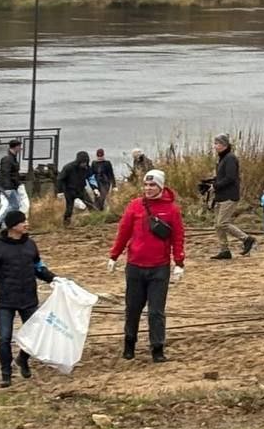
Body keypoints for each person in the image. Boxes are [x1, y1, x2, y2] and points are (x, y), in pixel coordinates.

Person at [108, 170, 185, 362]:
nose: (148, 189)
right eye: (146, 185)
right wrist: (114, 256)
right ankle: (129, 343)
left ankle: (157, 348)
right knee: (132, 308)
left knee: (156, 311)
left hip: (159, 267)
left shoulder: (172, 210)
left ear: (161, 186)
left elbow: (178, 237)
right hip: (135, 266)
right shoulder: (135, 206)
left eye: (152, 185)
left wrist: (179, 262)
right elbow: (124, 232)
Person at [0, 209, 57, 387]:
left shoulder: (30, 245)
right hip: (6, 301)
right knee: (4, 338)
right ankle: (6, 375)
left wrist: (54, 279)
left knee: (35, 335)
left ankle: (22, 359)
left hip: (28, 299)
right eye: (23, 222)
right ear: (13, 226)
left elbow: (38, 267)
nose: (26, 224)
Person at [208, 134, 253, 260]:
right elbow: (222, 176)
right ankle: (224, 250)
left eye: (217, 143)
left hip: (229, 195)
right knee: (217, 225)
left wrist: (216, 186)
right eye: (215, 143)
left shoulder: (230, 158)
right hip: (220, 196)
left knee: (222, 223)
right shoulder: (222, 158)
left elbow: (230, 177)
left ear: (224, 145)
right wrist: (211, 182)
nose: (215, 146)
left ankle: (246, 239)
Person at [56, 151, 92, 226]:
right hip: (69, 191)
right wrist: (60, 192)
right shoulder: (68, 167)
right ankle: (66, 224)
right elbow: (60, 179)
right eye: (83, 162)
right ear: (78, 161)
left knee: (91, 205)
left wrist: (95, 188)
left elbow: (90, 178)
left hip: (81, 189)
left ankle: (95, 219)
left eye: (86, 162)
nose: (84, 164)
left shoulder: (87, 168)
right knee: (69, 209)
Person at [0, 139, 24, 217]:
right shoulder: (8, 159)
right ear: (15, 147)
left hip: (12, 186)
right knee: (15, 205)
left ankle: (5, 221)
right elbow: (5, 173)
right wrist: (7, 188)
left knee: (14, 205)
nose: (20, 148)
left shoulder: (12, 158)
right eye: (19, 146)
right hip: (9, 187)